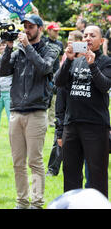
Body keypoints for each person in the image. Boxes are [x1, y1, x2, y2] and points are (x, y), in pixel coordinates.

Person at [0, 13, 59, 209]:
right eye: (25, 26)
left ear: (40, 29)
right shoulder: (18, 51)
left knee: (35, 160)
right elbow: (2, 70)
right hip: (16, 112)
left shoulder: (51, 49)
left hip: (36, 112)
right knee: (17, 162)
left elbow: (44, 68)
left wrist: (28, 47)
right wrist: (8, 48)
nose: (26, 30)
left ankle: (37, 203)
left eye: (31, 27)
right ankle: (22, 202)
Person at [54, 25, 111, 198]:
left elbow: (105, 86)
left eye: (92, 35)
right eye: (85, 35)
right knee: (70, 173)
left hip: (96, 126)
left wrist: (93, 65)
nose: (87, 38)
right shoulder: (75, 60)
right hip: (72, 125)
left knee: (97, 175)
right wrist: (68, 60)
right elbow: (58, 82)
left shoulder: (106, 61)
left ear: (101, 41)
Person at [47, 30, 83, 177]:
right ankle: (52, 168)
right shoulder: (66, 56)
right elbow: (58, 79)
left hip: (77, 101)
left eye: (72, 40)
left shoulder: (85, 58)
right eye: (68, 39)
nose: (69, 42)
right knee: (59, 134)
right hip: (63, 97)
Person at [0, 39, 12, 148]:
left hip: (9, 91)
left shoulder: (12, 57)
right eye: (0, 45)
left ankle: (13, 141)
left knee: (11, 118)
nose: (2, 47)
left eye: (4, 44)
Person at [44, 22, 64, 127]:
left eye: (57, 31)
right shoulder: (44, 41)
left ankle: (51, 121)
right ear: (49, 31)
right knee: (44, 95)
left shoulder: (60, 44)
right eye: (54, 31)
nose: (57, 33)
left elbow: (60, 58)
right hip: (44, 72)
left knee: (54, 97)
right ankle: (43, 118)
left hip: (55, 73)